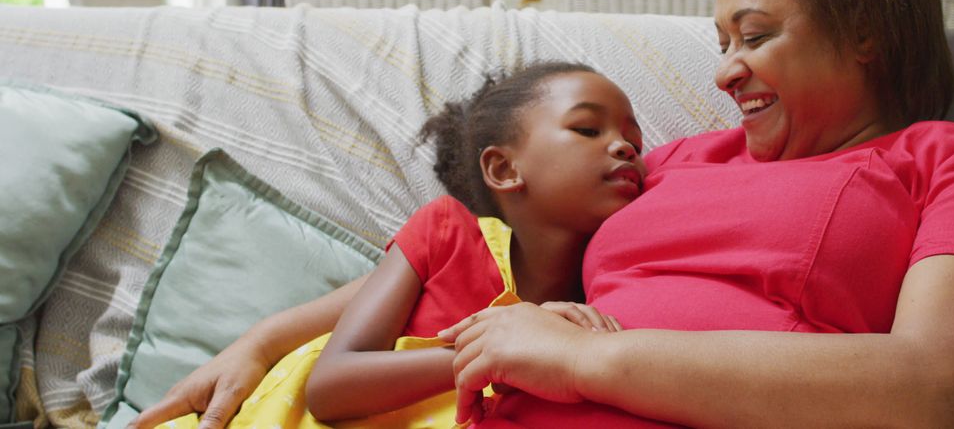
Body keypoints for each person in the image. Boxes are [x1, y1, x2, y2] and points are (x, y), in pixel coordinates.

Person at [133, 0, 954, 429]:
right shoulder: (672, 164)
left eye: (754, 37)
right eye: (721, 39)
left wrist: (590, 358)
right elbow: (479, 254)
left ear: (865, 31)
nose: (724, 71)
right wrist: (264, 342)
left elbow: (938, 391)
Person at [151, 61, 645, 428]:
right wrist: (496, 352)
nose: (625, 148)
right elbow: (329, 386)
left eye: (636, 144)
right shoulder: (447, 235)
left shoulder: (608, 291)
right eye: (586, 129)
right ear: (504, 168)